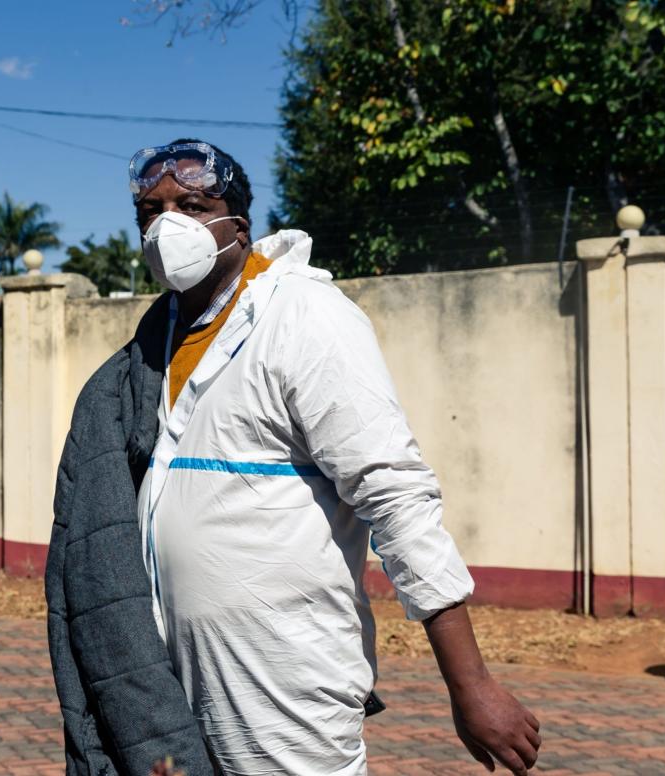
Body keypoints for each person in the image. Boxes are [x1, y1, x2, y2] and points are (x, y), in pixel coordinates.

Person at [46, 138, 540, 775]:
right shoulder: (152, 346)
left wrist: (469, 684)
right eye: (152, 210)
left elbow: (394, 497)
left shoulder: (306, 318)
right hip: (167, 675)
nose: (168, 225)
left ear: (238, 225)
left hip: (282, 678)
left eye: (193, 205)